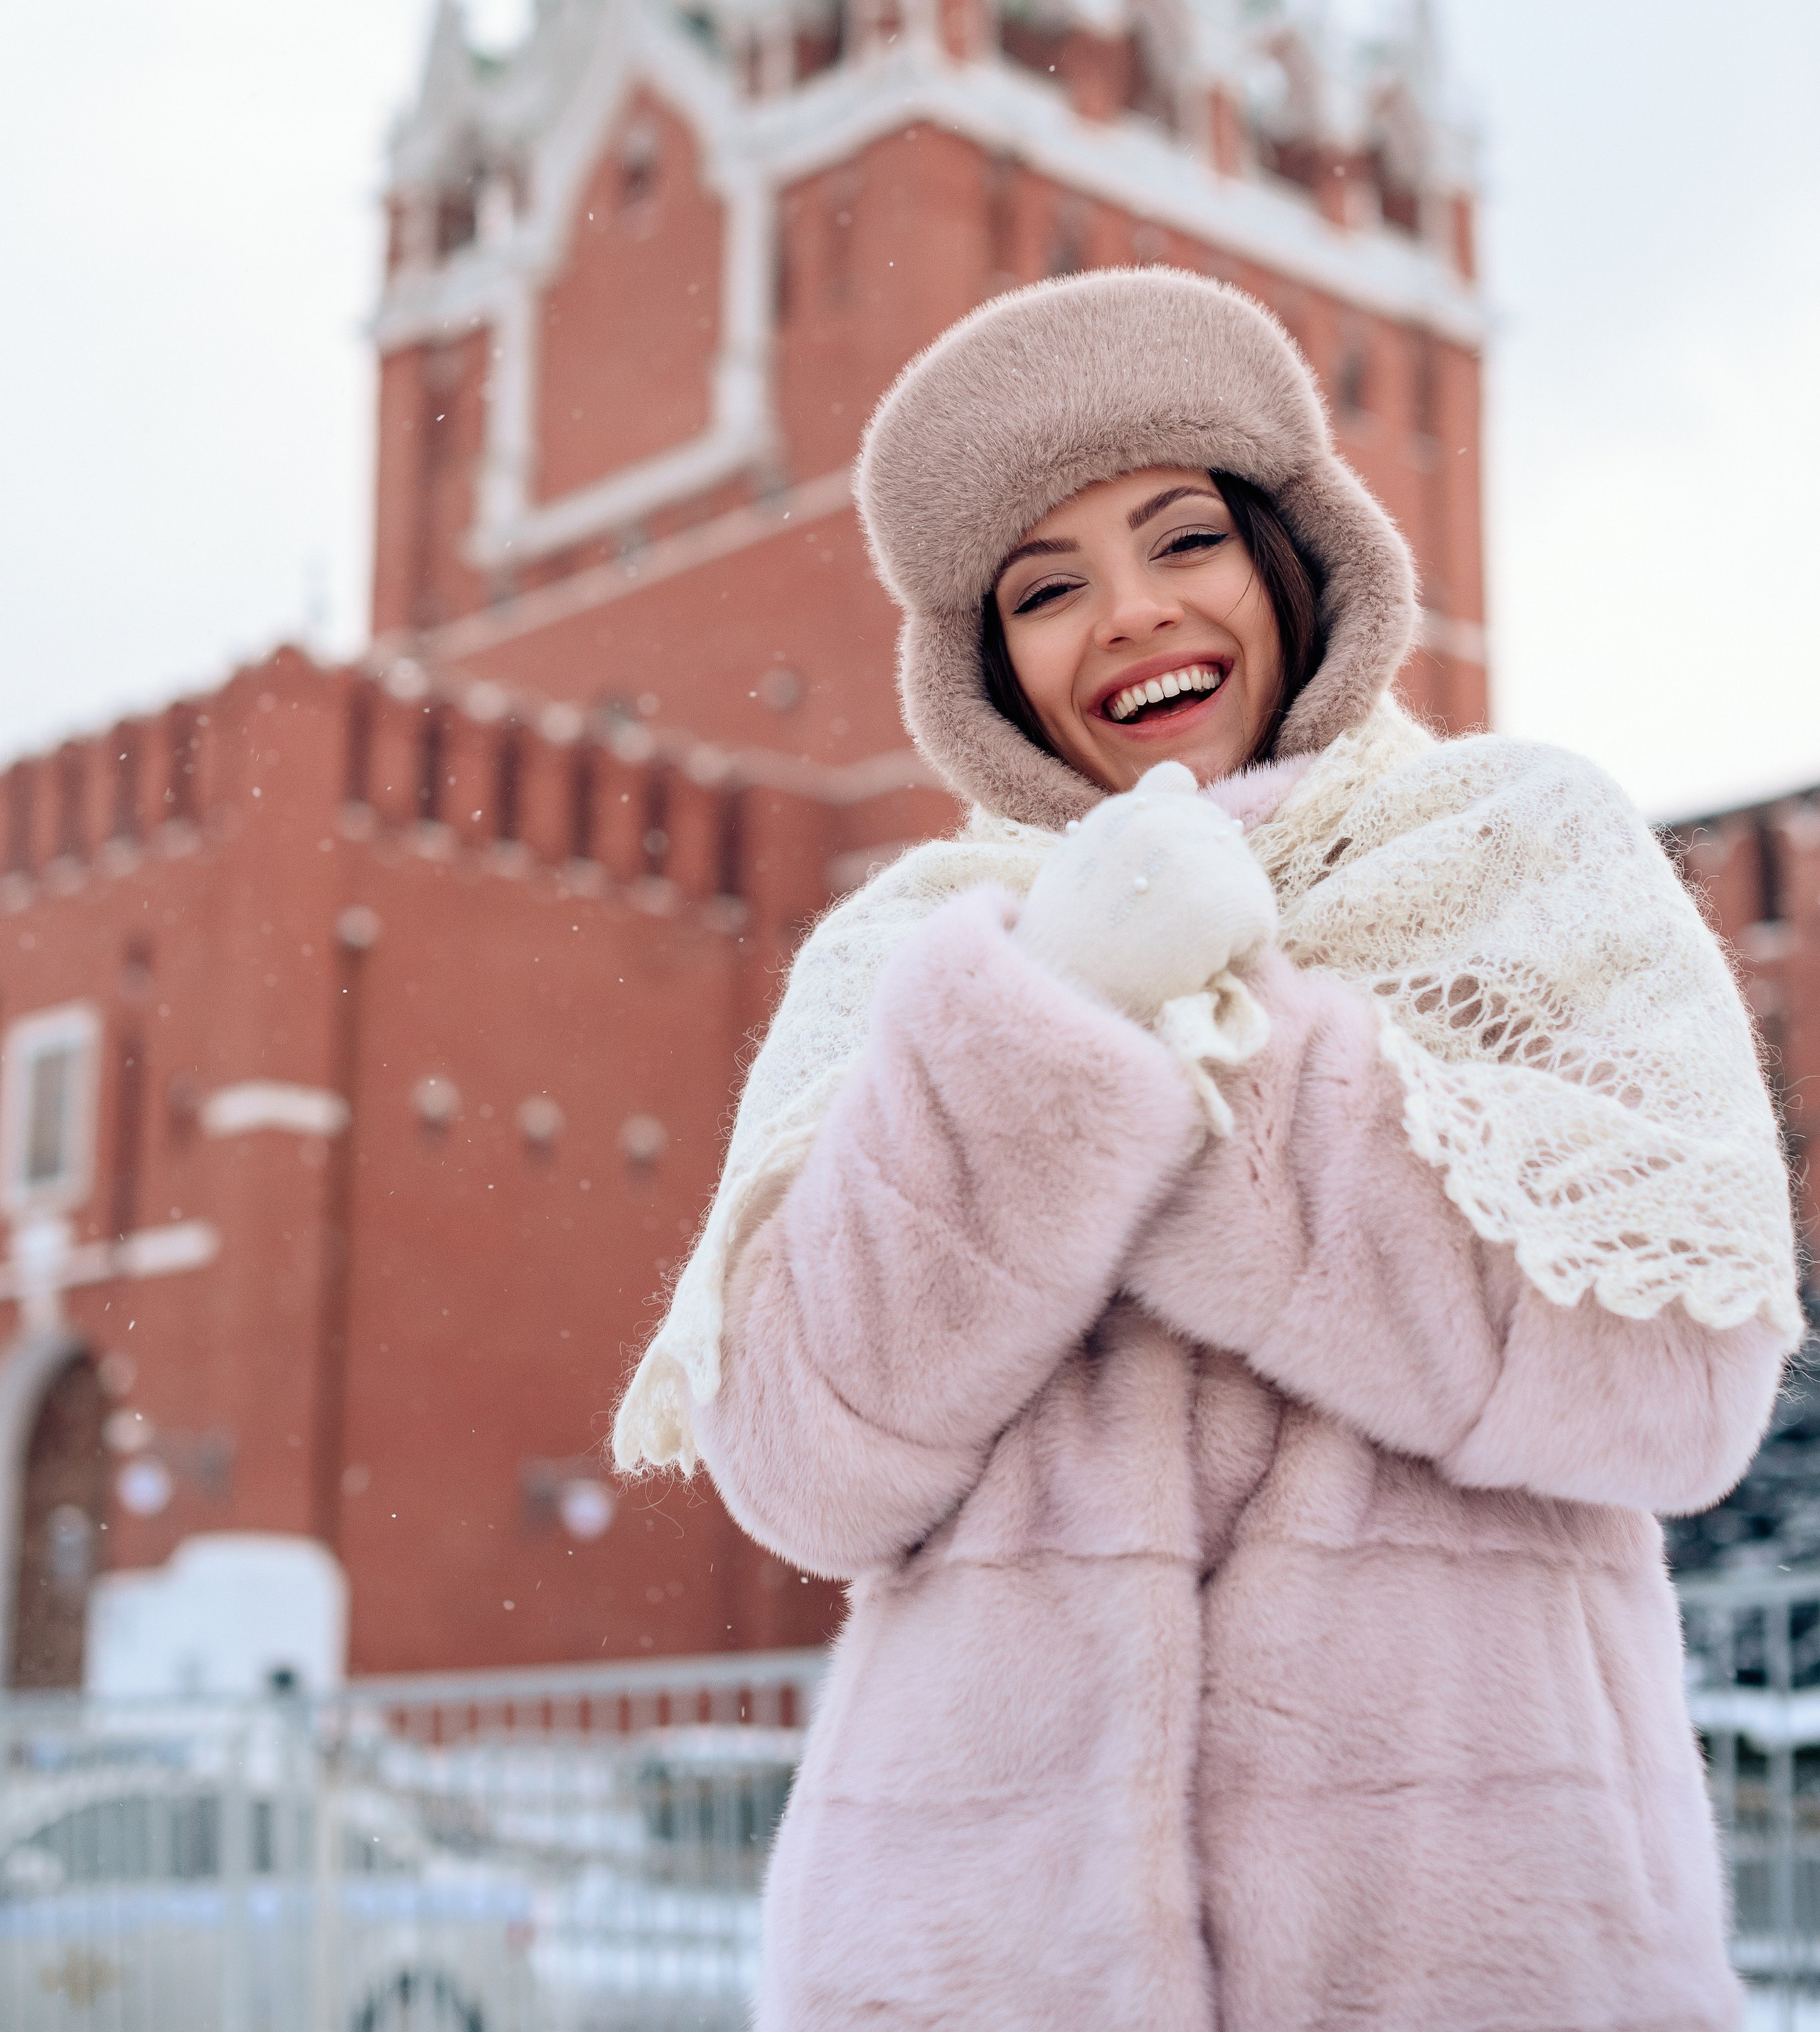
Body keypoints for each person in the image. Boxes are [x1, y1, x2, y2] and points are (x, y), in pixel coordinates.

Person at [616, 269, 1799, 2032]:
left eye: (1182, 540)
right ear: (984, 664)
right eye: (1045, 586)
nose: (1127, 616)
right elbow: (805, 1466)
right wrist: (1041, 1025)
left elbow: (1674, 1376)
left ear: (1288, 557)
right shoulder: (909, 954)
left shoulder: (1515, 850)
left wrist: (1205, 1050)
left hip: (1471, 1958)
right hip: (965, 1974)